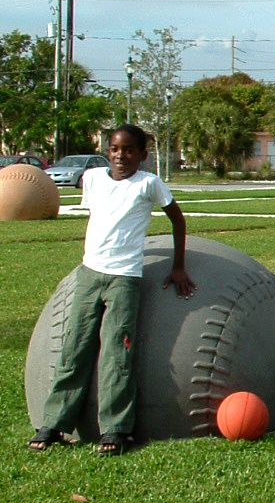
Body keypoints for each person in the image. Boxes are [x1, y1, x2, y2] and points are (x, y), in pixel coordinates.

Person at [28, 124, 195, 456]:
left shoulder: (149, 184)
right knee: (75, 348)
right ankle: (54, 423)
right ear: (108, 150)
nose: (121, 156)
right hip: (90, 274)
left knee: (117, 354)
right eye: (116, 149)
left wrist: (178, 266)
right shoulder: (92, 179)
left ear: (143, 156)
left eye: (130, 150)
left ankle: (115, 429)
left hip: (125, 279)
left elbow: (178, 220)